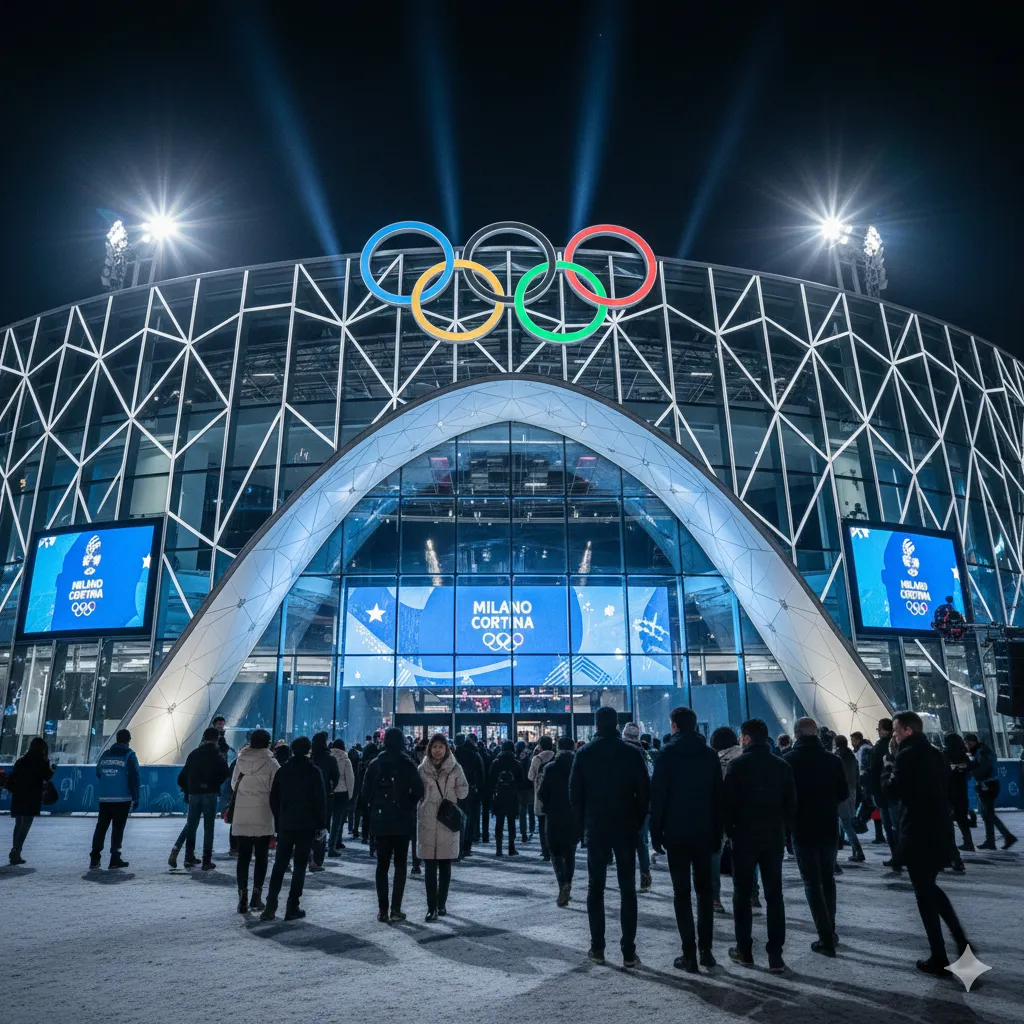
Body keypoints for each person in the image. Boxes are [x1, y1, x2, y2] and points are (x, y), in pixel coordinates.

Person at [885, 711, 970, 975]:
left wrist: (887, 768)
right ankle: (959, 942)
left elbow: (891, 793)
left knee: (923, 893)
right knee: (929, 887)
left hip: (917, 832)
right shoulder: (936, 754)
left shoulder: (905, 757)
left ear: (908, 731)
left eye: (897, 731)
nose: (894, 736)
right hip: (939, 829)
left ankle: (940, 954)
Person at [569, 706, 651, 969]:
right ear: (617, 724)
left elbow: (575, 794)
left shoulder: (584, 754)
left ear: (595, 725)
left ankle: (598, 947)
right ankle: (629, 951)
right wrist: (637, 822)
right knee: (627, 889)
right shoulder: (633, 753)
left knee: (596, 888)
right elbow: (644, 793)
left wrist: (584, 824)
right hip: (625, 826)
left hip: (597, 827)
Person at [650, 707, 723, 973]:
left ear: (674, 726)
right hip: (705, 831)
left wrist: (655, 833)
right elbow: (718, 797)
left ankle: (688, 953)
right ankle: (706, 951)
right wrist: (719, 832)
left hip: (677, 832)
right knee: (705, 892)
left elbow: (658, 796)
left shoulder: (667, 754)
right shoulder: (709, 755)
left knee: (681, 893)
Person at [722, 718, 796, 973]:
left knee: (741, 894)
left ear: (745, 738)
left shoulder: (737, 765)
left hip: (744, 838)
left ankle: (744, 950)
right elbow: (791, 807)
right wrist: (782, 831)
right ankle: (775, 954)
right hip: (772, 837)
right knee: (774, 895)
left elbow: (727, 806)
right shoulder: (782, 766)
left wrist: (730, 831)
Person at [783, 719, 848, 958]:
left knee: (811, 882)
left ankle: (825, 936)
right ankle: (830, 929)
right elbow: (844, 793)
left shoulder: (789, 760)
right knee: (827, 878)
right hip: (828, 826)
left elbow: (785, 798)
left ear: (796, 734)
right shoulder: (832, 760)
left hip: (802, 827)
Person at [260, 735, 327, 921]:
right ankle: (292, 906)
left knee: (280, 864)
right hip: (306, 825)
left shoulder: (283, 771)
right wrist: (321, 824)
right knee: (299, 865)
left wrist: (279, 818)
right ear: (308, 750)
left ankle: (271, 905)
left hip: (286, 824)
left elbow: (273, 798)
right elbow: (320, 801)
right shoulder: (314, 771)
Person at [362, 727, 424, 922]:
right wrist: (407, 805)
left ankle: (382, 909)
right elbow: (419, 790)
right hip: (402, 821)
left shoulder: (375, 764)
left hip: (380, 821)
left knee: (381, 865)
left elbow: (365, 794)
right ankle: (396, 908)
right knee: (400, 864)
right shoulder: (408, 764)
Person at [417, 734, 469, 921]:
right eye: (434, 747)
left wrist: (454, 793)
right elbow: (416, 791)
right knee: (430, 868)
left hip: (446, 820)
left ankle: (442, 903)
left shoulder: (455, 768)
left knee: (445, 866)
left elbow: (464, 790)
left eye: (441, 747)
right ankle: (432, 907)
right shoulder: (422, 769)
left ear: (446, 749)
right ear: (429, 749)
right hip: (428, 820)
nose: (437, 750)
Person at [230, 729, 279, 913]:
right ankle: (256, 897)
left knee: (243, 857)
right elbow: (276, 789)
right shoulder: (272, 763)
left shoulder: (240, 760)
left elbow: (234, 783)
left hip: (242, 815)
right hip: (263, 815)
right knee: (261, 857)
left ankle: (242, 895)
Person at [177, 727, 232, 870]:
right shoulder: (217, 754)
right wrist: (215, 784)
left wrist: (189, 789)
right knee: (209, 828)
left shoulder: (194, 754)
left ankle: (188, 857)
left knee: (192, 826)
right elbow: (226, 773)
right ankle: (206, 860)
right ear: (216, 739)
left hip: (194, 794)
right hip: (210, 793)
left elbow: (182, 776)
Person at [538, 736, 580, 906]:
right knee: (570, 853)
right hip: (573, 816)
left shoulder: (550, 768)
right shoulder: (578, 767)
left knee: (555, 853)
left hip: (554, 817)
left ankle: (562, 883)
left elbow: (542, 793)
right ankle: (568, 883)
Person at [90, 729, 140, 870]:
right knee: (117, 829)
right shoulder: (129, 755)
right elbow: (134, 777)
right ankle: (114, 859)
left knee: (101, 827)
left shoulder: (105, 754)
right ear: (128, 740)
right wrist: (136, 797)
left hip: (105, 798)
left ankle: (95, 858)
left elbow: (98, 772)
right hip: (122, 799)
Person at [5, 737, 54, 865]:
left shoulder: (21, 761)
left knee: (19, 824)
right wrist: (52, 768)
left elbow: (13, 777)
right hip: (31, 796)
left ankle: (15, 849)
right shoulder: (41, 762)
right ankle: (16, 851)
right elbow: (47, 776)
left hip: (18, 795)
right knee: (26, 825)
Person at [965, 733, 1017, 850]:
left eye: (968, 743)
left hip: (987, 785)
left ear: (973, 742)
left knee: (988, 813)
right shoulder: (980, 751)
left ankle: (1005, 836)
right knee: (986, 813)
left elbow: (983, 769)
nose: (967, 745)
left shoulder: (983, 752)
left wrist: (971, 771)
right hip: (987, 785)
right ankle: (992, 840)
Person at [622, 722, 655, 891]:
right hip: (644, 804)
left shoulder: (621, 753)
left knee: (625, 842)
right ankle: (645, 872)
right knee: (642, 841)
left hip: (624, 804)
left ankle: (628, 877)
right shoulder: (645, 753)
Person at [870, 718, 901, 870]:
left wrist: (873, 792)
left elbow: (874, 771)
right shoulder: (899, 744)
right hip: (898, 793)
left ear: (883, 729)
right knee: (899, 825)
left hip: (884, 792)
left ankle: (897, 856)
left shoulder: (880, 747)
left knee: (889, 826)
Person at [308, 732, 340, 870]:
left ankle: (308, 855)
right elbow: (336, 777)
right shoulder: (330, 759)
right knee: (322, 828)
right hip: (325, 797)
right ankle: (317, 860)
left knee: (309, 827)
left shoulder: (310, 758)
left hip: (308, 798)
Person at [489, 740, 523, 856]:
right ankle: (511, 847)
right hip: (512, 797)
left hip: (499, 796)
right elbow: (521, 781)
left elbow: (491, 780)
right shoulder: (516, 763)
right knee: (511, 822)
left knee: (499, 822)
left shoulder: (496, 762)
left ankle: (498, 849)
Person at [834, 736, 864, 864]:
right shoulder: (852, 756)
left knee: (845, 823)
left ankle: (858, 851)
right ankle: (855, 851)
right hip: (852, 791)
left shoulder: (837, 757)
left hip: (841, 792)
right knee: (846, 822)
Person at [453, 733, 484, 858]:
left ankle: (458, 847)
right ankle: (467, 847)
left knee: (459, 818)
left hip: (457, 789)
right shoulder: (475, 754)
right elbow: (481, 775)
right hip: (472, 790)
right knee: (471, 819)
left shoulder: (454, 756)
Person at [943, 733, 974, 857]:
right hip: (962, 790)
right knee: (962, 818)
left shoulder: (945, 755)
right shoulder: (963, 755)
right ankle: (968, 841)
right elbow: (969, 771)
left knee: (947, 820)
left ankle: (950, 846)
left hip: (949, 790)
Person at [528, 735, 556, 860]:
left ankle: (545, 851)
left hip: (540, 794)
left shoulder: (537, 759)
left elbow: (530, 776)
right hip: (556, 794)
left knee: (541, 824)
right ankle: (554, 848)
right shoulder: (557, 756)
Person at [328, 739, 355, 856]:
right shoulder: (345, 760)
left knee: (327, 818)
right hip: (342, 792)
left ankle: (324, 843)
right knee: (337, 820)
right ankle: (333, 844)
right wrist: (350, 795)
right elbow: (350, 779)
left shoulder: (328, 758)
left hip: (329, 792)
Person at [515, 740, 535, 843]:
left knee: (523, 810)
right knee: (530, 808)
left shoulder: (516, 758)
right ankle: (531, 828)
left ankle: (524, 833)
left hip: (520, 788)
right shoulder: (529, 758)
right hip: (528, 787)